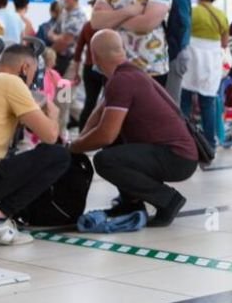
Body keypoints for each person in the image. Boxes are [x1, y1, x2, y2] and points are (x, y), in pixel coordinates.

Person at [71, 30, 197, 227]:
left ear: (94, 56)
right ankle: (131, 204)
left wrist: (74, 148)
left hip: (176, 157)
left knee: (106, 160)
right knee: (113, 148)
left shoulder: (122, 81)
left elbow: (105, 134)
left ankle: (168, 200)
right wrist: (80, 140)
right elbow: (100, 112)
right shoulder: (129, 73)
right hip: (177, 153)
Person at [0, 44, 68, 244]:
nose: (33, 81)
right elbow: (50, 136)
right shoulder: (12, 83)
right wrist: (55, 116)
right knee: (58, 156)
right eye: (34, 74)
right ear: (25, 68)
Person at [182, 0, 228, 151]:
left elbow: (183, 32)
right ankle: (210, 143)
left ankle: (184, 140)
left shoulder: (192, 11)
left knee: (185, 101)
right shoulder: (221, 15)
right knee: (208, 103)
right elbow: (224, 42)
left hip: (191, 58)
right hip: (211, 60)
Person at [152, 0, 191, 102]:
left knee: (171, 102)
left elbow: (183, 22)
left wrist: (174, 49)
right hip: (172, 51)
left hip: (176, 53)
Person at [50, 0, 87, 77]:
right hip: (60, 59)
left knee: (65, 90)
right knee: (56, 89)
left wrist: (50, 51)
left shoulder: (78, 16)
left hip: (71, 61)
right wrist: (58, 37)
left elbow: (65, 41)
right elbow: (50, 33)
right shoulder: (64, 13)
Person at [71, 22, 103, 129]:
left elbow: (78, 51)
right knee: (107, 103)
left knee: (89, 102)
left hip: (89, 68)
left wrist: (76, 72)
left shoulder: (88, 25)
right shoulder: (110, 25)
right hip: (105, 68)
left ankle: (82, 133)